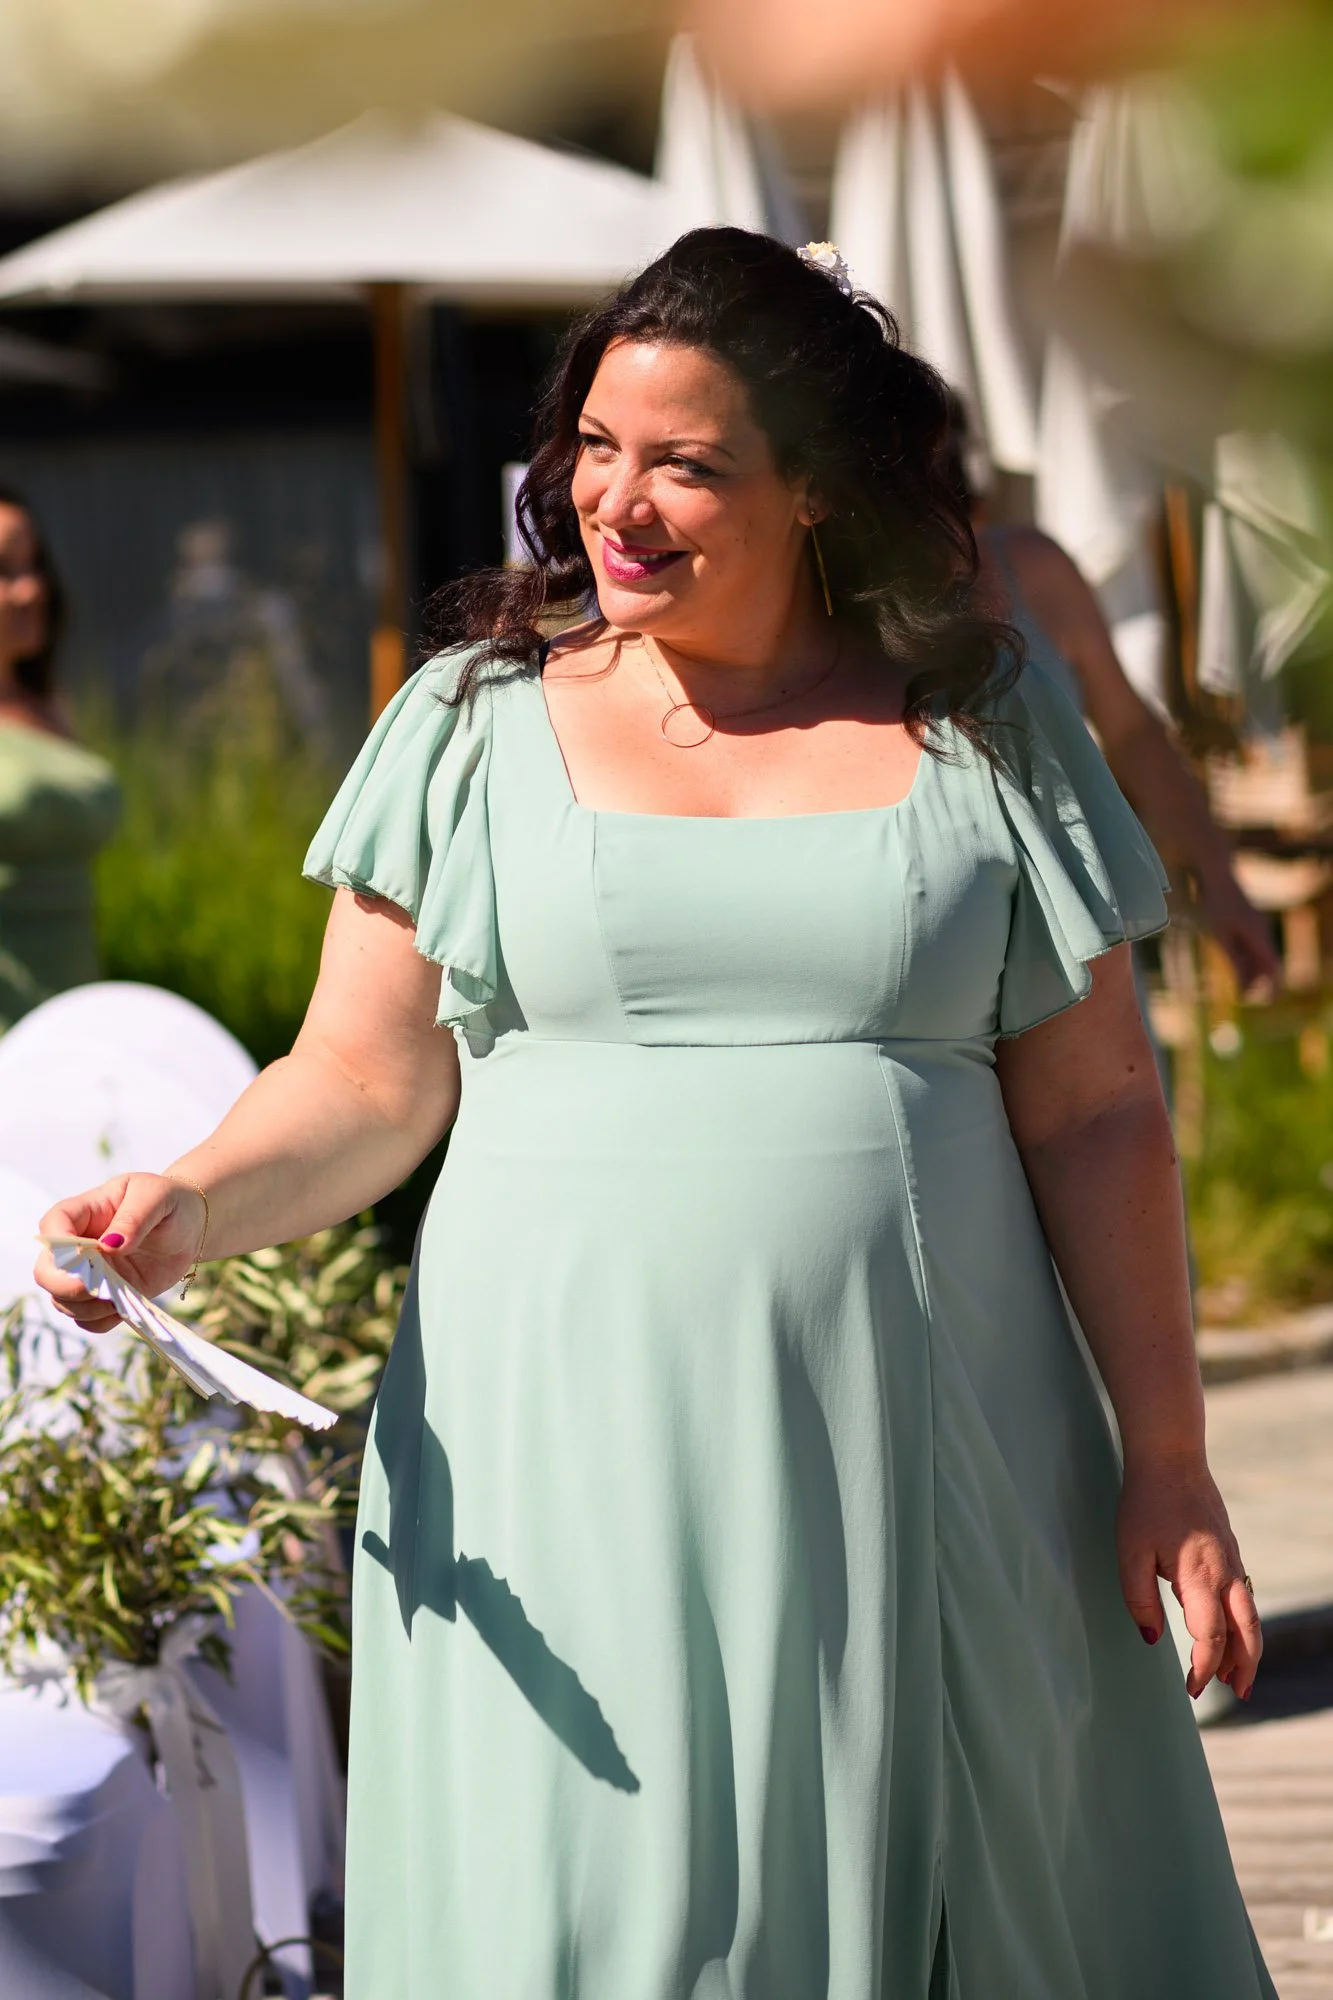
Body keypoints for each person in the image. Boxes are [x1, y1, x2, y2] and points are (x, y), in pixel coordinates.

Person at [36, 231, 1272, 1997]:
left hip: (922, 1447)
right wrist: (189, 1202)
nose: (616, 502)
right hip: (562, 1450)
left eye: (687, 462)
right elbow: (366, 1078)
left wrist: (1166, 1455)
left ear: (820, 493)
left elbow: (1094, 1115)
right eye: (596, 447)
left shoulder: (984, 724)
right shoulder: (469, 723)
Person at [940, 399, 1280, 995]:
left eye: (948, 475)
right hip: (947, 941)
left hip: (1077, 923)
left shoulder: (1030, 565)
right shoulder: (837, 605)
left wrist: (1220, 881)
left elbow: (1129, 730)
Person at [0, 486, 121, 1030]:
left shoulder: (48, 706)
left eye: (34, 566)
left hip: (73, 1015)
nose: (32, 591)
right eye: (4, 571)